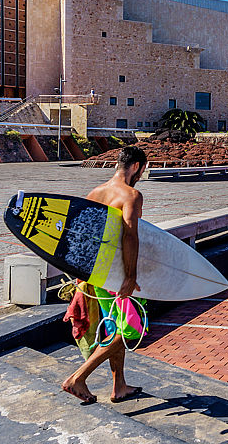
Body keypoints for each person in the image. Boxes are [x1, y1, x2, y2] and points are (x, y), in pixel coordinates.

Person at [61, 146, 148, 405]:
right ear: (135, 167)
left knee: (114, 326)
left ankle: (119, 385)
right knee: (131, 328)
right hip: (118, 271)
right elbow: (130, 236)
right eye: (142, 170)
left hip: (97, 273)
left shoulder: (94, 193)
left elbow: (83, 238)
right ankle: (78, 377)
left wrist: (82, 277)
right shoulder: (132, 195)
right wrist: (130, 277)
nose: (142, 175)